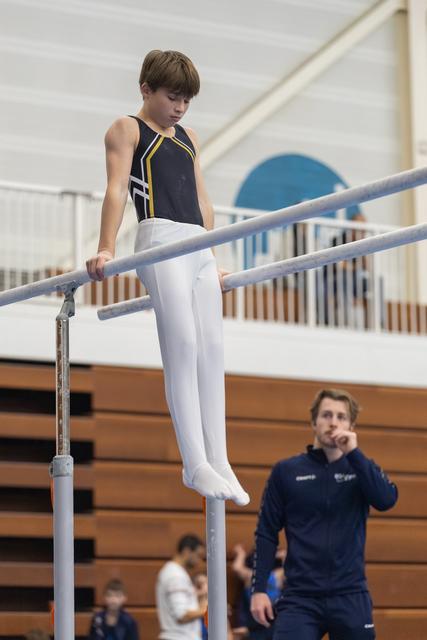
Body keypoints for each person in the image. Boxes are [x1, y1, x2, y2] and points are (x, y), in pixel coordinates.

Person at [86, 49, 248, 506]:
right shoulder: (126, 129)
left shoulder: (188, 137)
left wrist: (211, 255)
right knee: (184, 344)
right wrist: (106, 248)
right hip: (159, 241)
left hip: (196, 244)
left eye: (186, 101)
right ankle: (194, 463)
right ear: (146, 90)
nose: (179, 108)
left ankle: (220, 459)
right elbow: (117, 188)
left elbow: (203, 200)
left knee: (212, 350)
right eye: (172, 97)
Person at [250, 388, 398, 640]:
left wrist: (354, 454)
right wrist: (259, 589)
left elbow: (386, 500)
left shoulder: (361, 468)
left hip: (350, 595)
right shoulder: (286, 472)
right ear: (313, 422)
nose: (333, 422)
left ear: (351, 425)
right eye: (326, 415)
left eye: (341, 417)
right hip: (300, 597)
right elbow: (266, 532)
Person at [156, 534, 207, 640]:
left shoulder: (174, 573)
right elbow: (182, 615)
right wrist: (208, 610)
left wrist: (199, 596)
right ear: (187, 551)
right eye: (198, 555)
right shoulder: (175, 576)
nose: (199, 561)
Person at [232, 544, 284, 639]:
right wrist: (281, 554)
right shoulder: (253, 575)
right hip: (256, 623)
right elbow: (237, 568)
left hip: (271, 622)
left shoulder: (276, 575)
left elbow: (237, 567)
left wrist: (241, 553)